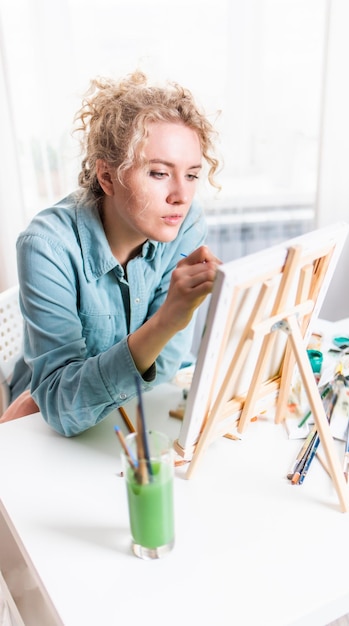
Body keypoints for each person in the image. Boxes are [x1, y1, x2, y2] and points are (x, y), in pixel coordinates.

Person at [1, 70, 221, 436]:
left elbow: (165, 366)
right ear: (107, 177)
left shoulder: (185, 222)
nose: (181, 195)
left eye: (193, 175)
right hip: (37, 431)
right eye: (158, 173)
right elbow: (61, 410)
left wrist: (76, 392)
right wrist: (166, 321)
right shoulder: (46, 246)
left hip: (125, 416)